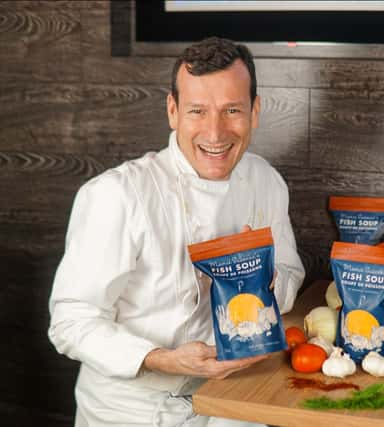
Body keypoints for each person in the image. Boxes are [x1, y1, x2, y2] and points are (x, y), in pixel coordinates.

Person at [48, 37, 305, 427]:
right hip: (129, 408)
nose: (215, 133)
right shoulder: (117, 195)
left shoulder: (266, 182)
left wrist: (262, 274)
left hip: (228, 395)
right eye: (197, 111)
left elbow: (290, 276)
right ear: (173, 111)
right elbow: (71, 322)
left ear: (255, 111)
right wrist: (162, 359)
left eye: (232, 110)